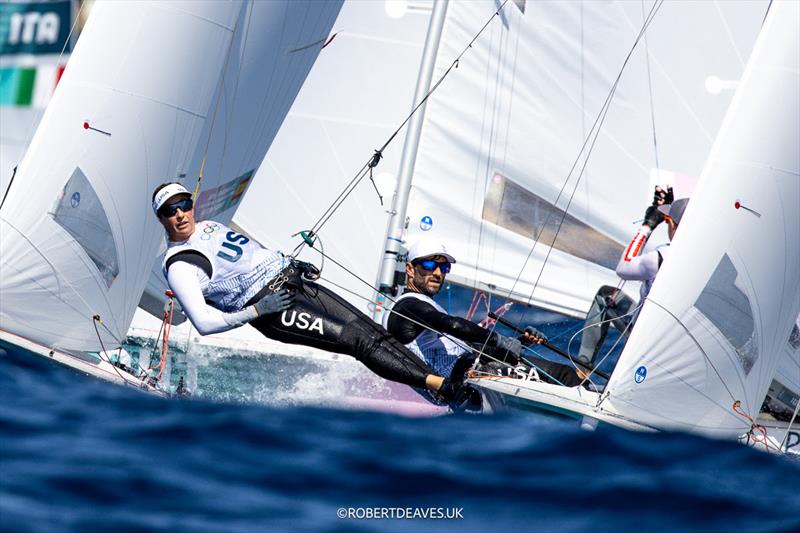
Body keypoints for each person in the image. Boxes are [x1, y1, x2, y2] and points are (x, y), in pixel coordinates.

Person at [152, 183, 459, 401]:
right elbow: (204, 324)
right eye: (170, 210)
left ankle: (438, 385)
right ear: (161, 218)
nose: (180, 214)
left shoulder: (208, 226)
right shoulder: (179, 264)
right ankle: (442, 386)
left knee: (370, 330)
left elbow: (250, 255)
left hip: (291, 281)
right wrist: (257, 311)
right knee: (357, 340)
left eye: (184, 204)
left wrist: (289, 262)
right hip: (273, 309)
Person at [384, 238, 586, 406]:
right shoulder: (407, 306)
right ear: (410, 269)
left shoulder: (423, 307)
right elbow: (454, 326)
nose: (438, 273)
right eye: (429, 265)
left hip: (474, 375)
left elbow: (469, 348)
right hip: (469, 379)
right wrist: (499, 340)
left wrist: (519, 342)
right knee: (565, 376)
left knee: (568, 375)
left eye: (444, 266)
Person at [577, 184, 690, 366]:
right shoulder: (706, 257)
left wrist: (649, 224)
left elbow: (624, 267)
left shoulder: (660, 258)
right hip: (681, 345)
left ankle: (581, 369)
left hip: (646, 339)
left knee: (606, 295)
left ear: (671, 223)